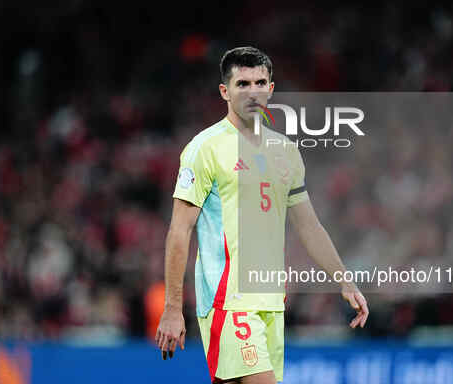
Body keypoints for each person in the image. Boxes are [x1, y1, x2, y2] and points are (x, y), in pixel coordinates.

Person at [155, 46, 368, 384]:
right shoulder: (204, 148)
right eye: (242, 84)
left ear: (271, 88)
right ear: (225, 91)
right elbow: (180, 230)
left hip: (271, 302)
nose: (252, 92)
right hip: (230, 301)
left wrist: (343, 278)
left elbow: (308, 225)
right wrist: (171, 307)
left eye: (259, 82)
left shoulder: (284, 151)